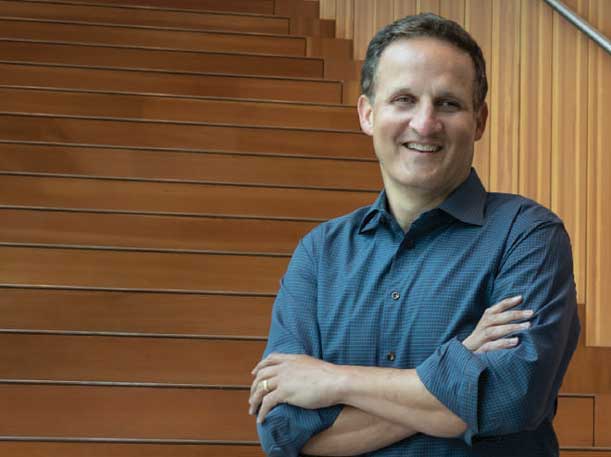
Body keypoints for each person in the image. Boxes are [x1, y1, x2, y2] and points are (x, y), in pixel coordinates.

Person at [249, 13, 580, 457]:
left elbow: (507, 401)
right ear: (368, 114)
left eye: (448, 103)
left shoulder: (527, 236)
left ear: (479, 121)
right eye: (404, 99)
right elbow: (283, 430)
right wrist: (457, 371)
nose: (424, 124)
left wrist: (333, 381)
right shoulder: (320, 254)